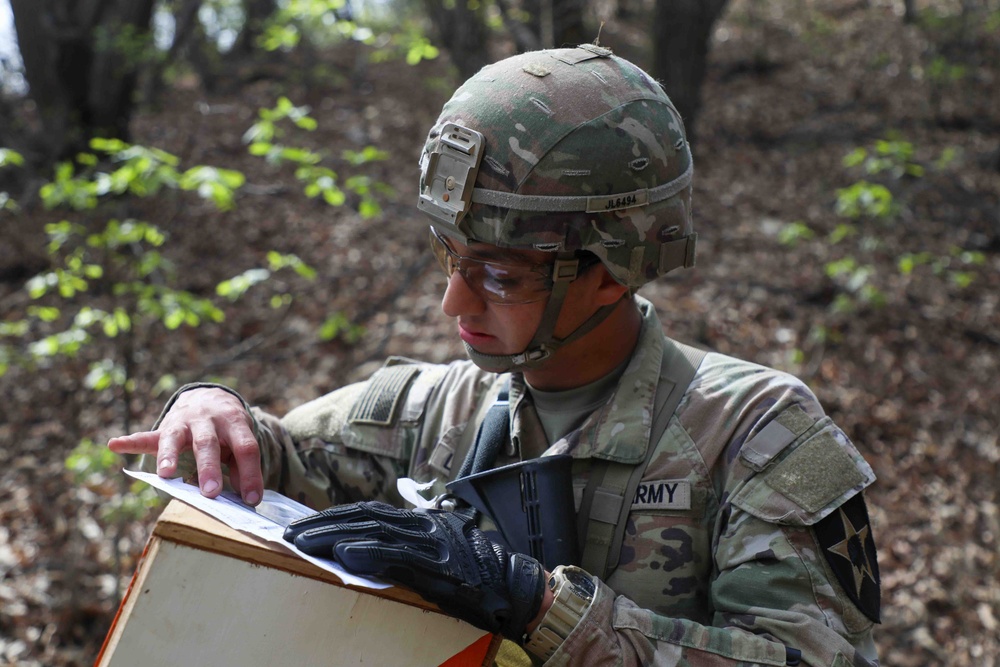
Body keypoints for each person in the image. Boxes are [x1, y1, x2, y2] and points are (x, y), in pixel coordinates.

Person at [109, 44, 881, 666]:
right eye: (451, 257)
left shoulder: (757, 435)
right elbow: (273, 458)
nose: (455, 302)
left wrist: (539, 606)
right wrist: (214, 408)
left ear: (611, 271)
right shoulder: (436, 410)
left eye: (499, 274)